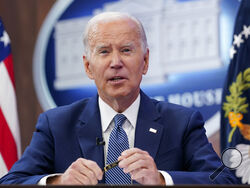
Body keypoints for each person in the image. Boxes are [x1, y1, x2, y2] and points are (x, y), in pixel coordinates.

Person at [0, 12, 239, 185]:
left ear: (145, 62)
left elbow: (223, 180)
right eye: (104, 51)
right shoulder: (56, 124)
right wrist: (58, 182)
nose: (116, 62)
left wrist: (161, 179)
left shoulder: (181, 122)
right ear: (88, 66)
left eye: (126, 50)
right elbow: (11, 182)